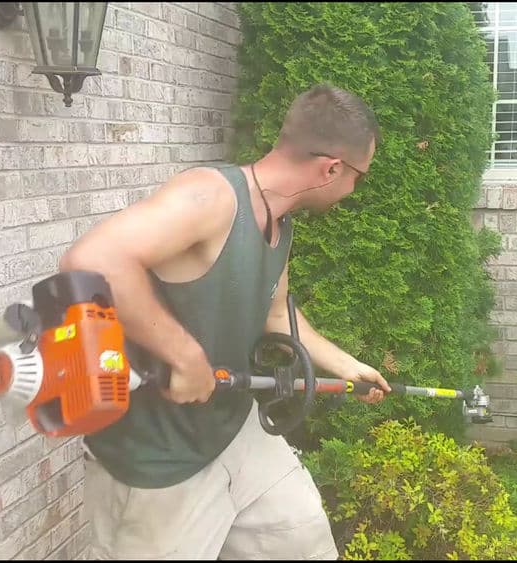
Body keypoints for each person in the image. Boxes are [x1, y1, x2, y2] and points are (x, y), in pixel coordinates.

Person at [58, 84, 390, 560]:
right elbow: (90, 262)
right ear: (331, 167)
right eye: (359, 176)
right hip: (158, 461)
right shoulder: (212, 196)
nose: (355, 189)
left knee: (302, 543)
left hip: (234, 431)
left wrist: (346, 363)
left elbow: (276, 312)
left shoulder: (279, 223)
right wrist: (184, 353)